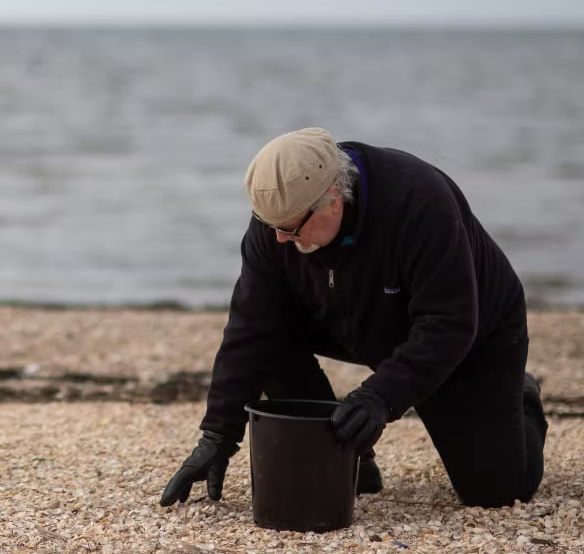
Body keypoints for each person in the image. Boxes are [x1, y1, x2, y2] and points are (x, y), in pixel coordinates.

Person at [160, 127, 547, 510]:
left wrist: (380, 396)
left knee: (497, 493)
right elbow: (251, 326)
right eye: (271, 226)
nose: (279, 239)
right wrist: (218, 436)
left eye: (290, 228)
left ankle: (521, 395)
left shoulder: (418, 200)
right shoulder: (279, 218)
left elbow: (450, 322)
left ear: (333, 200)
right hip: (358, 320)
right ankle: (347, 462)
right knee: (269, 337)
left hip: (472, 336)